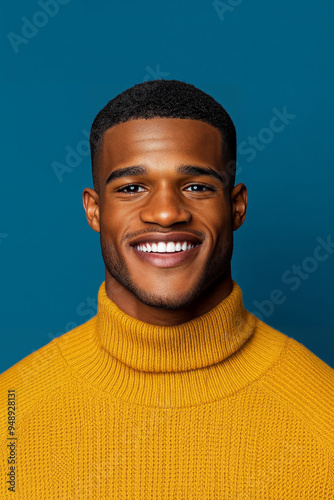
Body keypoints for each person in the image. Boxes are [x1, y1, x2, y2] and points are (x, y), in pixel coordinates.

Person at [1, 79, 333, 499]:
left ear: (236, 207)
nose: (165, 213)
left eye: (196, 186)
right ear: (94, 210)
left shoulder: (324, 416)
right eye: (131, 188)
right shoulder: (10, 414)